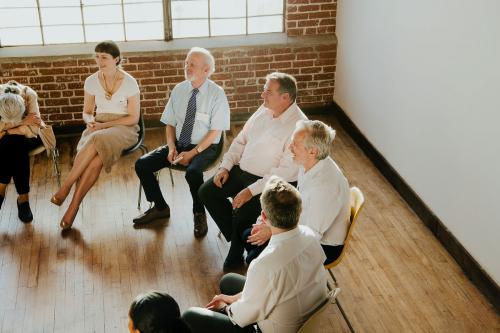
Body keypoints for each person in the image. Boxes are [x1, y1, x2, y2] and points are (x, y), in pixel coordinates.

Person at [182, 177, 328, 333]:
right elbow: (267, 291)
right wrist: (231, 299)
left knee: (190, 316)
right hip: (301, 314)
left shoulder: (265, 264)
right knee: (228, 281)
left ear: (264, 217)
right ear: (300, 210)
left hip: (274, 329)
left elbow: (241, 318)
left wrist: (225, 307)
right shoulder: (311, 236)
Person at [198, 72, 307, 271]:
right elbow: (241, 140)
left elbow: (284, 173)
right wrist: (226, 166)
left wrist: (251, 191)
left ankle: (237, 249)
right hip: (242, 170)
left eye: (268, 91)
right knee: (207, 191)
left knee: (242, 212)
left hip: (270, 184)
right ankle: (238, 239)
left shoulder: (299, 127)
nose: (262, 95)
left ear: (285, 97)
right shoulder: (264, 110)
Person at [133, 47, 230, 238]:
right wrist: (171, 147)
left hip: (206, 146)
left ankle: (199, 213)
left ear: (206, 70)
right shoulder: (179, 90)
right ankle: (160, 207)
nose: (187, 67)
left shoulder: (217, 94)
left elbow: (214, 132)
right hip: (179, 143)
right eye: (186, 63)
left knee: (193, 172)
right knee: (142, 164)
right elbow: (170, 123)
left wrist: (192, 154)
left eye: (192, 64)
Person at [50, 40, 140, 230]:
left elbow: (133, 118)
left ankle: (65, 187)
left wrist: (104, 125)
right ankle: (73, 208)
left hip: (124, 127)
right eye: (97, 56)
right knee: (95, 160)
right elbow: (88, 110)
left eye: (104, 57)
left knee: (97, 138)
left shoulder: (130, 82)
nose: (99, 61)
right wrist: (89, 120)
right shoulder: (91, 81)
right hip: (98, 125)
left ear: (116, 59)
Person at [245, 120, 350, 265]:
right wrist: (270, 226)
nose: (289, 147)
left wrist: (272, 231)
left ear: (312, 151)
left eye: (295, 145)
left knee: (253, 257)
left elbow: (311, 235)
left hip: (322, 247)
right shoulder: (310, 161)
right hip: (301, 224)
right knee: (249, 238)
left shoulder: (325, 188)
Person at [0, 82, 44, 223]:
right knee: (13, 143)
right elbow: (25, 125)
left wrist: (5, 129)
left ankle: (1, 189)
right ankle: (23, 199)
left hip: (28, 139)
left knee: (13, 141)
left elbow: (33, 130)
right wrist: (22, 122)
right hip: (14, 145)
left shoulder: (29, 95)